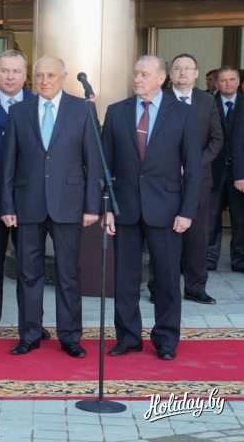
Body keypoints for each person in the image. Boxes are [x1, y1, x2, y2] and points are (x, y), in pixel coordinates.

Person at [0, 55, 102, 358]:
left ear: (64, 77)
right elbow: (8, 163)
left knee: (68, 274)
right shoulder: (19, 111)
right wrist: (7, 205)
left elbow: (94, 162)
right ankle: (30, 334)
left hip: (69, 204)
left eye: (51, 75)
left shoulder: (83, 109)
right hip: (27, 204)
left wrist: (92, 206)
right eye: (40, 75)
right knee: (27, 273)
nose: (45, 81)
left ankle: (70, 336)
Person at [103, 55, 202, 361]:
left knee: (168, 278)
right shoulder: (116, 111)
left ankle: (166, 339)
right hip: (125, 208)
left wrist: (187, 211)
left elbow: (194, 167)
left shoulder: (182, 113)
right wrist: (106, 207)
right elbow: (105, 165)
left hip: (168, 209)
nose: (137, 79)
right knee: (125, 279)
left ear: (162, 78)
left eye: (144, 74)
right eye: (135, 73)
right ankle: (128, 337)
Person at [147, 54, 222, 305]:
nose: (182, 72)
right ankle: (158, 287)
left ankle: (195, 287)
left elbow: (217, 139)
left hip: (198, 180)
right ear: (170, 74)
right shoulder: (159, 98)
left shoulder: (207, 101)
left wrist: (193, 166)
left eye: (187, 68)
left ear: (196, 74)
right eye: (177, 68)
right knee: (162, 237)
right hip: (163, 181)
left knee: (197, 237)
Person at [0, 49, 39, 338]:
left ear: (25, 75)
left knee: (29, 268)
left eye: (16, 71)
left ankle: (32, 323)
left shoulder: (39, 106)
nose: (10, 76)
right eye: (4, 70)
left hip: (28, 202)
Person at [208, 66, 244, 272]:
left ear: (239, 82)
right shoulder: (207, 104)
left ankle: (240, 259)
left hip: (240, 172)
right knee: (211, 216)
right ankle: (208, 258)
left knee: (240, 217)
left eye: (232, 79)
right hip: (214, 169)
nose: (228, 83)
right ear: (216, 83)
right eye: (223, 80)